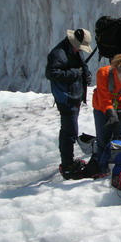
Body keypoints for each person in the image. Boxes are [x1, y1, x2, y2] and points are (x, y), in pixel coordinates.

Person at [45, 28, 93, 180]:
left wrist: (86, 75)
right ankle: (67, 165)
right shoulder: (58, 54)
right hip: (65, 98)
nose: (81, 50)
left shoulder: (73, 50)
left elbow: (80, 66)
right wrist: (74, 74)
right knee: (69, 132)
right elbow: (51, 73)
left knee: (69, 130)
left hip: (73, 95)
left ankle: (68, 162)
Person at [87, 54, 121, 176]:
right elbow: (104, 96)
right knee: (103, 138)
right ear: (117, 72)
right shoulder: (103, 73)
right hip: (101, 107)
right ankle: (102, 168)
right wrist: (110, 113)